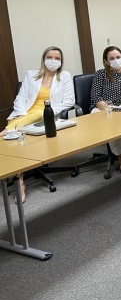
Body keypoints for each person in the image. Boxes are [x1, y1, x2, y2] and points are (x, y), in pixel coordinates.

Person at [2, 46, 75, 202]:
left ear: (61, 62)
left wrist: (47, 110)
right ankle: (19, 178)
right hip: (24, 115)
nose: (53, 61)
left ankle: (18, 179)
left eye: (57, 58)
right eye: (50, 57)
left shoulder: (65, 76)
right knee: (17, 139)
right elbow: (20, 98)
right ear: (43, 59)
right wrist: (21, 113)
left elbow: (70, 101)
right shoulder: (31, 75)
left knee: (14, 133)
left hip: (47, 114)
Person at [90, 46, 121, 176]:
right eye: (112, 58)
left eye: (118, 57)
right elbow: (96, 97)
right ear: (106, 61)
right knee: (112, 124)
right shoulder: (101, 74)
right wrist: (109, 110)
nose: (116, 60)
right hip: (104, 108)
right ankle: (120, 158)